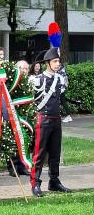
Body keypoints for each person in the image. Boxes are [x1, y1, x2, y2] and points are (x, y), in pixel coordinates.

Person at [31, 43, 71, 197]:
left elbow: (62, 97)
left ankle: (54, 181)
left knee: (55, 152)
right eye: (55, 61)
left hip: (56, 120)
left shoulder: (60, 79)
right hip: (43, 119)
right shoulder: (37, 80)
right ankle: (35, 183)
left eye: (58, 61)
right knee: (39, 153)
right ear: (47, 63)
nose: (58, 64)